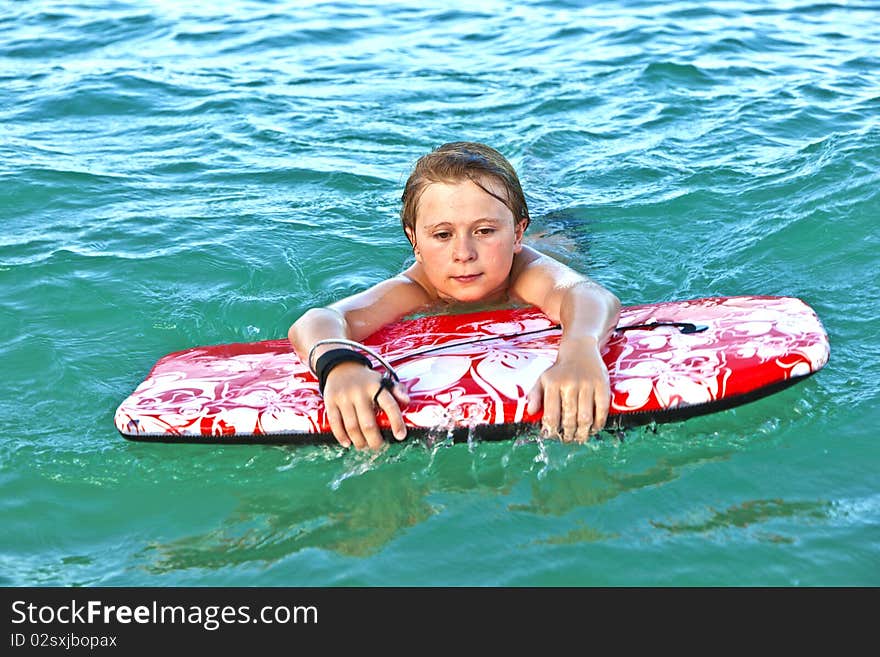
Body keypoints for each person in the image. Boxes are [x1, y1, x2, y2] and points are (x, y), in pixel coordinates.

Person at [289, 142, 621, 450]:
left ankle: (541, 171)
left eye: (485, 231)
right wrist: (341, 366)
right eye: (443, 235)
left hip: (555, 238)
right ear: (415, 241)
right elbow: (319, 321)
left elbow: (589, 295)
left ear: (517, 234)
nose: (463, 253)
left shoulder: (525, 273)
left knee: (556, 231)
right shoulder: (417, 288)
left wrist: (579, 352)